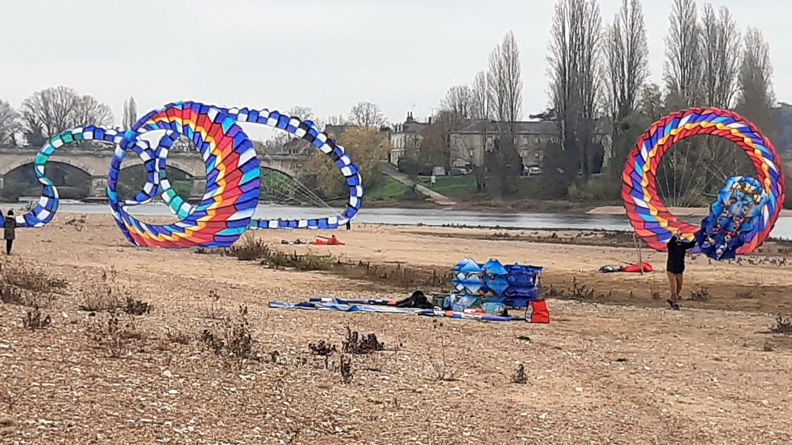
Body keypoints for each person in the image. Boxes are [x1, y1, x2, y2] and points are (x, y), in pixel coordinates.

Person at [666, 229, 696, 310]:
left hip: (679, 269)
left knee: (679, 287)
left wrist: (696, 236)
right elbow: (670, 244)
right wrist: (675, 236)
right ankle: (674, 303)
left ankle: (671, 300)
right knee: (674, 287)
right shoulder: (671, 246)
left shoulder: (682, 245)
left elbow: (691, 244)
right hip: (671, 269)